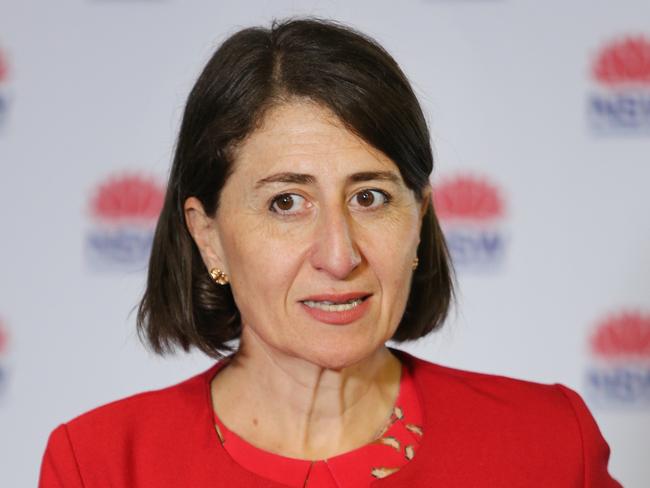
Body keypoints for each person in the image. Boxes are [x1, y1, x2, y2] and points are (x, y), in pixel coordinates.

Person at [39, 18, 621, 487]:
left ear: (417, 219)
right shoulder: (101, 464)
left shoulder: (546, 445)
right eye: (286, 203)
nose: (339, 256)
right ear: (208, 233)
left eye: (369, 197)